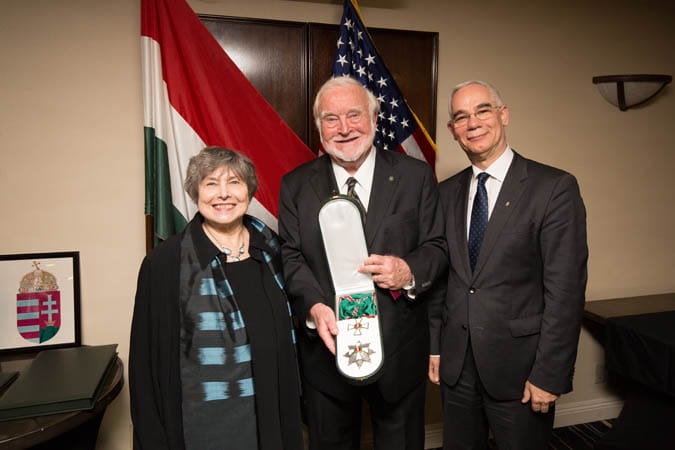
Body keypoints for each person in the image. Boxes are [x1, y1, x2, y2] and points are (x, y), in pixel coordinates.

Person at [278, 76, 447, 450]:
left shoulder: (415, 176)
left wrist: (407, 271)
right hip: (327, 352)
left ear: (374, 118)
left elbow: (437, 246)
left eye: (354, 115)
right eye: (330, 118)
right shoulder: (294, 185)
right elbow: (290, 255)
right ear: (319, 126)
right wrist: (314, 306)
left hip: (399, 351)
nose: (344, 128)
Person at [428, 80, 588, 450]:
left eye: (482, 110)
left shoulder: (553, 188)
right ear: (453, 131)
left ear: (503, 115)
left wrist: (550, 373)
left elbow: (565, 292)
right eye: (461, 117)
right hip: (458, 368)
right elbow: (442, 278)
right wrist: (436, 347)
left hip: (522, 371)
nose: (473, 123)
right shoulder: (445, 193)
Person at [129, 147, 303, 450]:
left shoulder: (272, 249)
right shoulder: (166, 263)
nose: (224, 194)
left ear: (249, 191)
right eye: (211, 183)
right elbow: (145, 365)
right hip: (208, 425)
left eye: (234, 182)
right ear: (196, 192)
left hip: (274, 411)